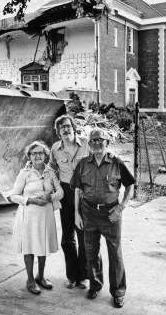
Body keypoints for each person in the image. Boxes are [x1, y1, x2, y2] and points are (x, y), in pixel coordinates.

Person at [70, 128, 136, 309]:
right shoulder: (83, 164)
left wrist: (121, 207)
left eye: (101, 141)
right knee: (91, 253)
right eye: (93, 141)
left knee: (115, 255)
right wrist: (76, 213)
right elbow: (77, 189)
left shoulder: (117, 163)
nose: (97, 144)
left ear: (107, 143)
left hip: (110, 215)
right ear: (89, 144)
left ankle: (118, 292)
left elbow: (130, 185)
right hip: (88, 213)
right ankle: (95, 285)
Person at [9, 141, 64, 295]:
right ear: (30, 156)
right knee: (29, 246)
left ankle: (41, 276)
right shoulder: (24, 173)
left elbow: (60, 192)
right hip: (29, 215)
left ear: (46, 155)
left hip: (45, 215)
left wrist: (50, 196)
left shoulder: (50, 172)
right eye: (34, 153)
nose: (38, 156)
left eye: (41, 153)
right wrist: (31, 200)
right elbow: (13, 196)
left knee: (42, 245)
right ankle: (30, 279)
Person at [49, 114, 93, 289]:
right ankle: (72, 276)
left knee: (83, 236)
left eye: (68, 126)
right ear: (58, 132)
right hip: (66, 193)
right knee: (67, 237)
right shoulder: (55, 148)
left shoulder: (86, 144)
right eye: (61, 128)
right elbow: (52, 167)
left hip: (84, 193)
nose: (65, 130)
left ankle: (83, 275)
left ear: (74, 127)